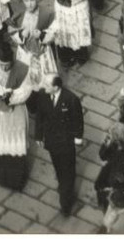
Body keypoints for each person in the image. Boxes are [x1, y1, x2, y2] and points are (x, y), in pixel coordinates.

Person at [0, 39, 33, 191]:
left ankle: (16, 180)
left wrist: (10, 96)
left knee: (14, 141)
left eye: (7, 65)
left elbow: (26, 91)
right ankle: (0, 172)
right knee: (1, 139)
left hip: (14, 113)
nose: (5, 67)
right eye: (2, 65)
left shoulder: (22, 69)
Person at [32, 70, 84, 215]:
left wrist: (78, 137)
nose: (44, 86)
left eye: (47, 84)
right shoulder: (43, 96)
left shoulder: (71, 99)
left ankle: (65, 201)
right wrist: (38, 136)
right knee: (58, 166)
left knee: (68, 170)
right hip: (51, 141)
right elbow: (40, 117)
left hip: (66, 142)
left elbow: (78, 120)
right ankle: (63, 184)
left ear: (56, 87)